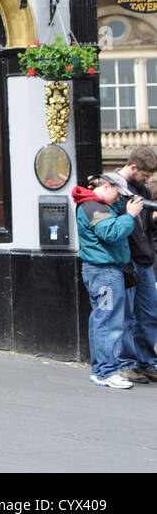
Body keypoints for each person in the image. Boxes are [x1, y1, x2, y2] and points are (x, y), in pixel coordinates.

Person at [72, 173, 144, 389]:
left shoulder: (96, 204)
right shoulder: (94, 207)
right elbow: (111, 233)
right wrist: (130, 215)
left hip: (102, 272)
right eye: (117, 193)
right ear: (107, 186)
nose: (118, 199)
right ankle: (106, 371)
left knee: (101, 320)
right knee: (109, 322)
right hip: (104, 273)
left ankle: (100, 370)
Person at [102, 151, 157, 384]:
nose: (146, 180)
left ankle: (147, 361)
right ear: (133, 167)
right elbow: (113, 228)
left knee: (150, 313)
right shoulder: (113, 188)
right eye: (144, 175)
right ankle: (127, 363)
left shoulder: (141, 189)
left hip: (144, 259)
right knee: (127, 315)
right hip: (127, 261)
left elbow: (144, 227)